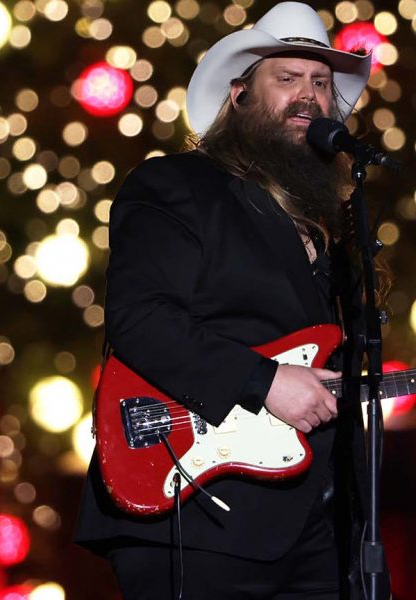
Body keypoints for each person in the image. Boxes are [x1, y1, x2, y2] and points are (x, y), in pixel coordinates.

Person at [75, 3, 388, 598]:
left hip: (316, 530)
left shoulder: (333, 224)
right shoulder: (177, 185)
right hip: (192, 512)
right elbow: (140, 318)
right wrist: (263, 381)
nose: (310, 95)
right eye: (287, 78)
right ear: (240, 94)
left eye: (321, 83)